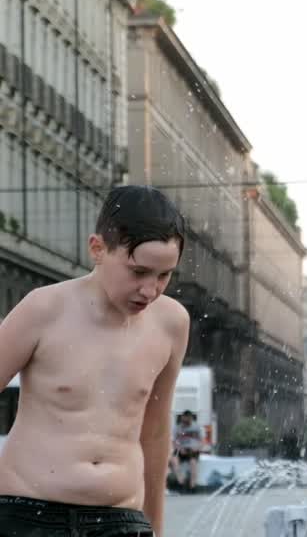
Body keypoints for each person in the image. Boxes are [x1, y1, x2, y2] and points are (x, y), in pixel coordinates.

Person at [0, 185, 190, 536]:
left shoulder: (172, 324)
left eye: (164, 276)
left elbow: (156, 431)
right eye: (138, 272)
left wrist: (157, 528)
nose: (150, 290)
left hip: (122, 520)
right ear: (98, 249)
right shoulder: (43, 309)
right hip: (30, 515)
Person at [172, 410, 204, 492]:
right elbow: (173, 441)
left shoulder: (197, 427)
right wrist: (179, 448)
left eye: (188, 421)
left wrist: (197, 448)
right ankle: (181, 482)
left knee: (193, 463)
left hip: (192, 449)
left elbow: (202, 441)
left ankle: (192, 486)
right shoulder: (177, 428)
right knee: (174, 461)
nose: (186, 423)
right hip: (181, 449)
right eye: (184, 421)